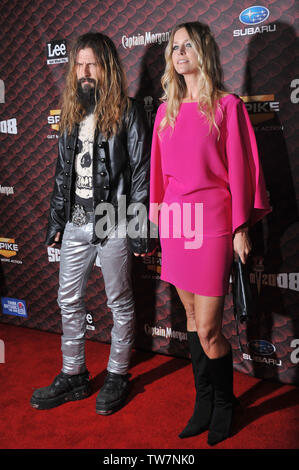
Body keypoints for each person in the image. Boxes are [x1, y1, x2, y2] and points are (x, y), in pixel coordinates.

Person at [149, 22, 272, 445]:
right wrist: (159, 220)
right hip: (177, 227)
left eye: (187, 45)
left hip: (215, 223)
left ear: (203, 51)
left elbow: (242, 169)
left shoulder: (226, 106)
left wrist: (240, 226)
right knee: (188, 320)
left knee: (209, 329)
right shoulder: (164, 112)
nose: (179, 52)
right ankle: (203, 402)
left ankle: (224, 404)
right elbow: (159, 177)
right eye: (174, 47)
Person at [30, 32, 153, 415]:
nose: (85, 72)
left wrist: (136, 228)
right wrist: (56, 222)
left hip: (114, 219)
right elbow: (62, 173)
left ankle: (118, 374)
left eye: (92, 64)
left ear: (107, 68)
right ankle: (74, 375)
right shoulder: (71, 113)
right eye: (79, 65)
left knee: (119, 300)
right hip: (76, 221)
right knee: (67, 299)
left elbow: (140, 174)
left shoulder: (129, 111)